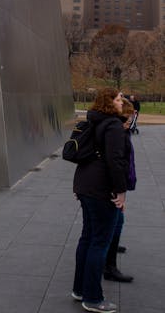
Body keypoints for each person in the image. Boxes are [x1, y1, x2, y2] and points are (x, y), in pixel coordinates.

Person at [72, 88, 128, 313]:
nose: (121, 102)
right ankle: (93, 297)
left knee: (87, 238)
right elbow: (116, 161)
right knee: (99, 242)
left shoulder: (94, 121)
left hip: (85, 185)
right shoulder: (113, 125)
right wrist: (121, 191)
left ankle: (80, 289)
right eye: (117, 99)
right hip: (101, 189)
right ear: (108, 102)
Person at [103, 98, 136, 283]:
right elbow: (116, 164)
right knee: (114, 223)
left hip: (116, 186)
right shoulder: (116, 133)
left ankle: (110, 253)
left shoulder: (121, 132)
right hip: (112, 188)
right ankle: (109, 267)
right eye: (128, 120)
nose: (129, 123)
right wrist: (120, 191)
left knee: (117, 222)